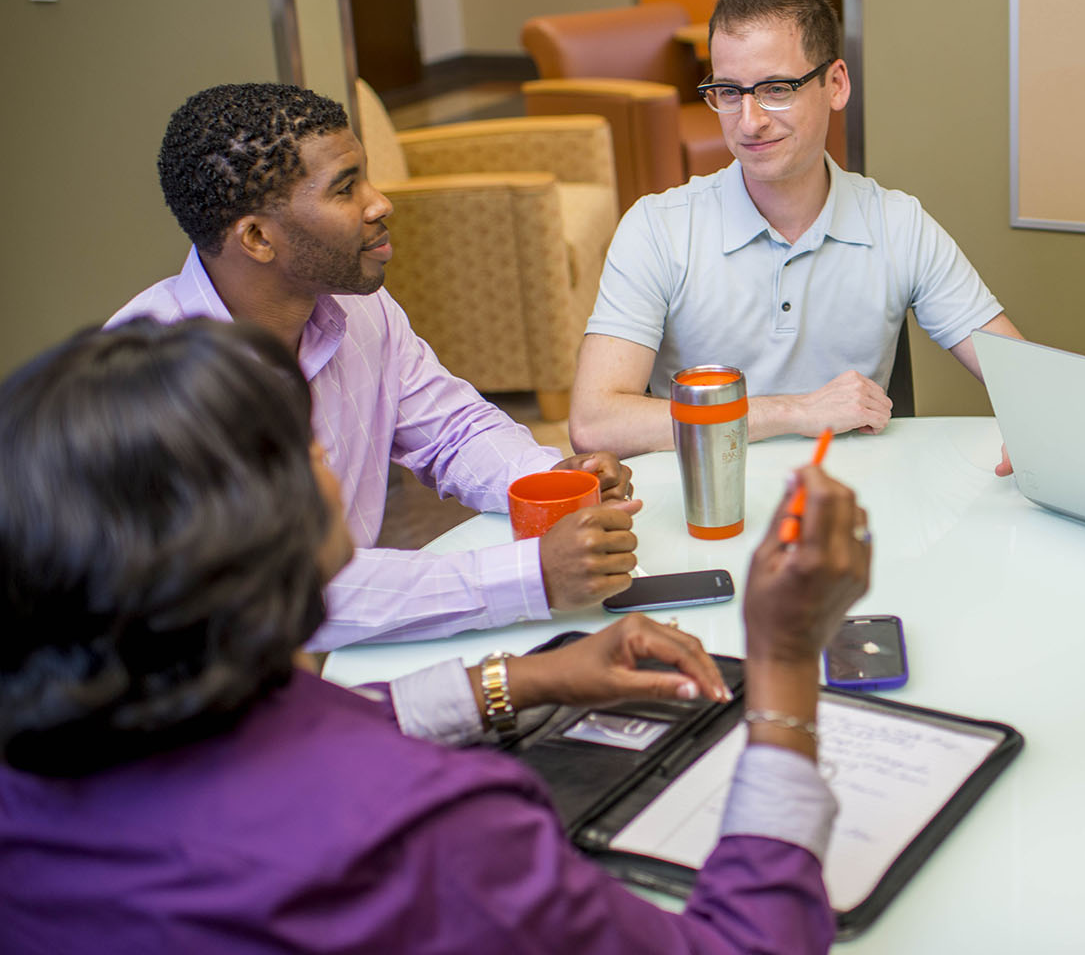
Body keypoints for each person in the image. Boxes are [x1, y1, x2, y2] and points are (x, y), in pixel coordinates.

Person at [0, 318, 872, 953]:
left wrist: (523, 682)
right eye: (305, 445)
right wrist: (785, 666)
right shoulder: (431, 834)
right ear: (255, 529)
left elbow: (294, 731)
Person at [110, 82, 640, 651]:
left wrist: (545, 483)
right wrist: (530, 576)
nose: (380, 202)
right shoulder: (152, 386)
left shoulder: (356, 304)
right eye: (345, 189)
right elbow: (288, 592)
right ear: (258, 237)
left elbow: (454, 430)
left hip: (320, 662)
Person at [570, 0, 1023, 459]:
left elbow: (1023, 381)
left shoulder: (898, 224)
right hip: (706, 506)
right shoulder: (658, 228)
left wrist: (1039, 426)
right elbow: (596, 424)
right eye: (728, 92)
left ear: (836, 85)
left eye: (776, 89)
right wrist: (795, 412)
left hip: (850, 508)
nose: (749, 121)